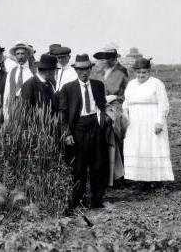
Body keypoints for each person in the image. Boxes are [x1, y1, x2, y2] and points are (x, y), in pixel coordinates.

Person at [58, 54, 112, 210]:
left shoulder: (98, 85)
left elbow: (102, 106)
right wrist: (67, 133)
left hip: (95, 126)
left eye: (87, 69)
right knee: (79, 167)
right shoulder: (68, 88)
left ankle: (97, 200)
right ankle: (78, 201)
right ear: (76, 70)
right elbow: (63, 113)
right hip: (78, 128)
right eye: (81, 69)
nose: (84, 73)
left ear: (90, 69)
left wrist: (105, 122)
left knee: (98, 165)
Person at [122, 57, 174, 185]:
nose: (141, 75)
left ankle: (155, 179)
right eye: (138, 72)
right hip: (135, 122)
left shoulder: (156, 83)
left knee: (153, 147)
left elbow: (164, 104)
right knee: (138, 148)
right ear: (135, 72)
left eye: (144, 72)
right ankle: (140, 179)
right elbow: (126, 102)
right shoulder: (131, 84)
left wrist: (159, 122)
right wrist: (125, 115)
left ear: (149, 72)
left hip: (151, 119)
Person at [93, 45, 128, 187]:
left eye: (109, 57)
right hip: (103, 106)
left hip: (116, 108)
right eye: (105, 57)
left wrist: (110, 97)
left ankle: (118, 176)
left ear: (114, 57)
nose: (107, 60)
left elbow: (120, 93)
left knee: (115, 139)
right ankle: (108, 175)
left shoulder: (120, 71)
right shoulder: (103, 71)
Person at [20, 54, 58, 124]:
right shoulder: (30, 84)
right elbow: (24, 111)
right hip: (36, 129)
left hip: (50, 128)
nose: (55, 73)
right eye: (54, 71)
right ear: (48, 71)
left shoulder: (50, 83)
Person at [3, 43, 35, 121]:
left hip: (28, 111)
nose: (20, 56)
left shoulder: (33, 72)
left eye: (22, 53)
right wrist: (5, 112)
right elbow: (6, 93)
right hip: (12, 111)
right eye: (18, 54)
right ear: (15, 55)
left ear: (27, 55)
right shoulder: (12, 71)